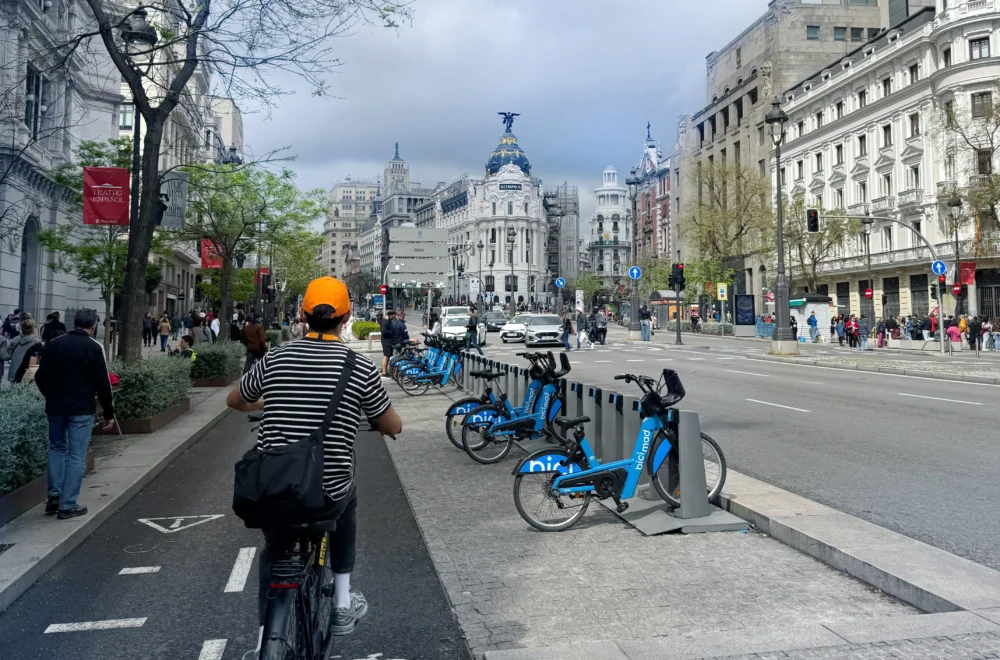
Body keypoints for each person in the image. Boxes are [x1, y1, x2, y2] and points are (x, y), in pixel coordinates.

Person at [226, 275, 402, 639]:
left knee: (273, 551)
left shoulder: (277, 357)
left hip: (270, 486)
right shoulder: (360, 368)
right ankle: (341, 601)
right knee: (346, 500)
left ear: (303, 315)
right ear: (347, 316)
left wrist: (267, 401)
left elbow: (235, 400)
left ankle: (263, 637)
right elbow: (391, 425)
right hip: (327, 493)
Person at [34, 309, 115, 520]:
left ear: (74, 323)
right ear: (94, 326)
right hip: (81, 408)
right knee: (76, 455)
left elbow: (40, 375)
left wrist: (49, 395)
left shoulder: (54, 344)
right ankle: (67, 505)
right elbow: (103, 383)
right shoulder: (93, 348)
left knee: (56, 448)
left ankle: (54, 496)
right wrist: (108, 412)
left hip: (56, 406)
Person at [7, 319, 40, 383]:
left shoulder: (15, 340)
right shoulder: (36, 342)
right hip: (28, 373)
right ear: (33, 328)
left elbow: (9, 352)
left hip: (14, 371)